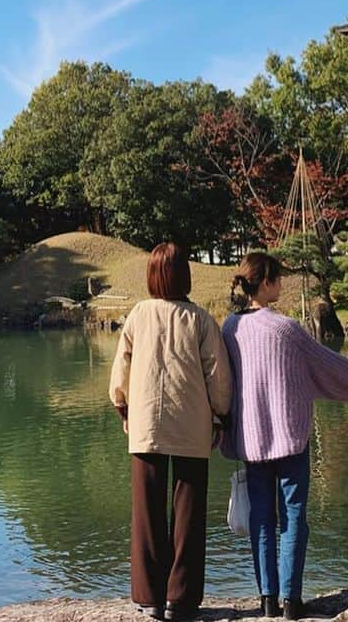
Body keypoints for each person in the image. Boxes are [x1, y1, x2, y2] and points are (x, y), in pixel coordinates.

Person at [222, 251, 348, 620]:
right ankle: (293, 603)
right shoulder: (286, 329)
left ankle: (267, 601)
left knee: (261, 517)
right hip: (291, 437)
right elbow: (330, 367)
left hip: (250, 437)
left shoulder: (229, 328)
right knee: (293, 517)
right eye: (277, 278)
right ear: (265, 283)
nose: (281, 284)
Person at [109, 242, 232, 622]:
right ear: (185, 276)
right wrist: (220, 415)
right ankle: (181, 599)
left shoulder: (138, 315)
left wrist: (122, 406)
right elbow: (218, 377)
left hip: (146, 423)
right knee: (189, 513)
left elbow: (121, 372)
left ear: (152, 275)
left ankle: (150, 597)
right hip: (191, 424)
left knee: (146, 512)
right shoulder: (201, 320)